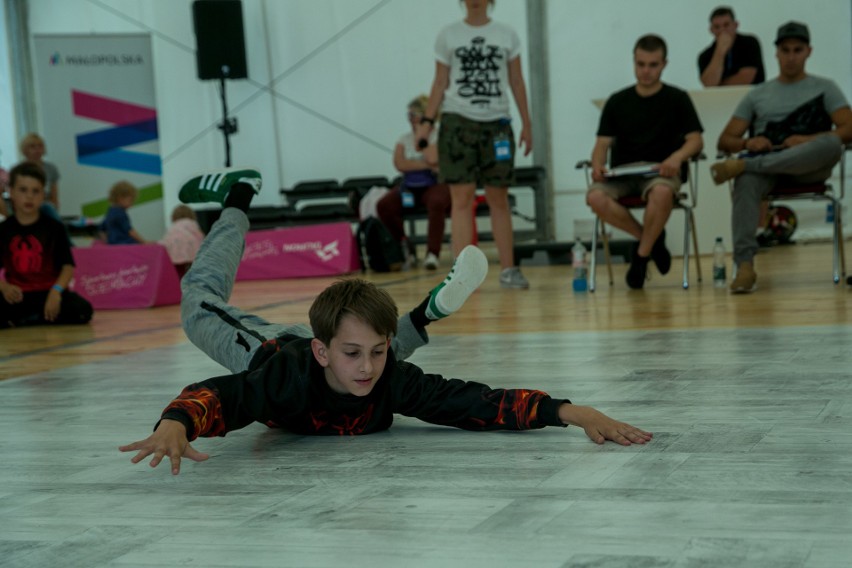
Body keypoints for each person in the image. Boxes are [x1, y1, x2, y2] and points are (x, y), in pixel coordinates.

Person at [119, 168, 652, 475]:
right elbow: (221, 396)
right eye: (354, 354)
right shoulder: (286, 378)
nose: (372, 368)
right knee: (196, 301)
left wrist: (567, 410)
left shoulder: (384, 372)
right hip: (273, 348)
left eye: (380, 352)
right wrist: (177, 422)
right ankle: (238, 197)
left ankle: (416, 319)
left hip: (337, 341)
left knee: (371, 348)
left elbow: (472, 402)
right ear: (323, 352)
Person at [711, 21, 852, 293]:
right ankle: (745, 266)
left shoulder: (825, 87)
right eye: (785, 50)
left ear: (808, 51)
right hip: (769, 169)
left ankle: (748, 164)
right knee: (746, 181)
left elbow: (848, 129)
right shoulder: (758, 94)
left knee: (831, 144)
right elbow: (725, 140)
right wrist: (749, 141)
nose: (791, 57)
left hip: (809, 164)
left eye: (797, 50)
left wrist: (806, 140)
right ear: (776, 52)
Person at [417, 0, 533, 289]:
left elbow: (517, 80)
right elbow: (440, 81)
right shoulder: (449, 34)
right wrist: (428, 121)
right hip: (458, 122)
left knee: (498, 200)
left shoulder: (506, 34)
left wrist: (527, 123)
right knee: (461, 201)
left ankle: (508, 269)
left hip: (497, 124)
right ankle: (460, 276)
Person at [586, 34, 704, 290]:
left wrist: (676, 157)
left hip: (661, 171)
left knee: (661, 192)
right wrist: (597, 165)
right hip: (623, 175)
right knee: (595, 197)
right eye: (641, 64)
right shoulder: (617, 101)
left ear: (664, 64)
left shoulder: (677, 98)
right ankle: (651, 240)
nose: (646, 71)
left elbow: (696, 141)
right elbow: (601, 144)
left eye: (653, 65)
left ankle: (640, 258)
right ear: (634, 62)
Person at [0, 162, 93, 328]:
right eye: (23, 190)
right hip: (17, 296)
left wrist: (57, 291)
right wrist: (4, 287)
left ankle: (27, 319)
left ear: (43, 194)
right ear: (11, 191)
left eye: (35, 191)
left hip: (49, 292)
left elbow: (68, 266)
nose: (29, 197)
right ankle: (34, 317)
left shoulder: (54, 228)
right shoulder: (4, 229)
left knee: (82, 310)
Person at [376, 95, 451, 271]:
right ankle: (404, 246)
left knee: (437, 202)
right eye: (409, 115)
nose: (411, 119)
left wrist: (421, 137)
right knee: (385, 205)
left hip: (436, 183)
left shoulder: (439, 134)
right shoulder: (404, 138)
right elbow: (400, 164)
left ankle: (432, 253)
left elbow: (433, 157)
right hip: (411, 185)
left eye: (415, 114)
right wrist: (425, 165)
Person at [698, 6, 765, 87]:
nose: (722, 30)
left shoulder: (749, 43)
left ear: (735, 25)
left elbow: (746, 78)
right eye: (717, 27)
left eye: (726, 25)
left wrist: (718, 87)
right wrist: (719, 52)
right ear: (711, 30)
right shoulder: (705, 56)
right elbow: (709, 83)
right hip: (720, 99)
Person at [19, 133, 62, 222]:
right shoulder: (18, 170)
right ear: (25, 150)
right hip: (24, 207)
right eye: (33, 147)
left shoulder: (51, 169)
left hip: (45, 207)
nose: (37, 150)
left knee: (47, 207)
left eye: (40, 146)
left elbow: (54, 198)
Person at [159, 204, 205, 278]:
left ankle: (178, 283)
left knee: (177, 272)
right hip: (191, 251)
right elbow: (200, 236)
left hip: (174, 252)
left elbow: (167, 238)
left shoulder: (174, 226)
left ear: (174, 216)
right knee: (193, 270)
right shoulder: (193, 224)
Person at [101, 180, 147, 244]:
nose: (132, 204)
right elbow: (130, 231)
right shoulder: (121, 213)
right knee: (137, 244)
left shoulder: (110, 211)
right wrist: (144, 241)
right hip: (123, 242)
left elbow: (102, 229)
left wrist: (107, 242)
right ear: (120, 198)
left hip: (112, 243)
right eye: (130, 201)